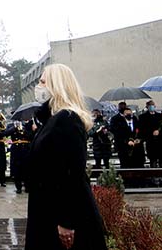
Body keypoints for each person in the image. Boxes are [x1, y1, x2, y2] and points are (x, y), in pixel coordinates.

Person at [25, 64, 107, 250]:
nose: (39, 86)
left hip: (59, 214)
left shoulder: (66, 120)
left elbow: (71, 173)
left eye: (43, 81)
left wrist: (66, 220)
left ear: (57, 85)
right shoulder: (52, 120)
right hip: (47, 208)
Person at [139, 100, 162, 168]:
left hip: (160, 142)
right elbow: (142, 128)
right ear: (147, 107)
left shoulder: (160, 116)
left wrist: (159, 132)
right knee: (153, 161)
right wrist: (151, 132)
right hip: (151, 141)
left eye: (153, 105)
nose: (152, 107)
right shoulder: (143, 117)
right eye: (150, 105)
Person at [8, 119, 33, 193]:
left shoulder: (27, 125)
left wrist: (24, 130)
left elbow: (31, 136)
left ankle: (27, 186)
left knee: (26, 168)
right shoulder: (10, 125)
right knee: (16, 168)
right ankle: (18, 187)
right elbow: (5, 133)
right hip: (16, 149)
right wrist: (15, 128)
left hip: (25, 149)